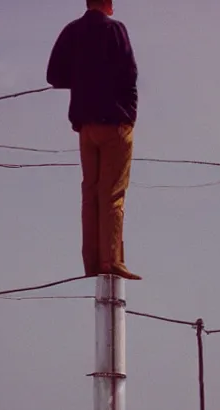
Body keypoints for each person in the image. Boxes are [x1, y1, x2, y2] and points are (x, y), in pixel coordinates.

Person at [46, 0, 142, 280]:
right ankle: (110, 260)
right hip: (115, 122)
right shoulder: (115, 30)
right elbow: (130, 74)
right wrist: (130, 115)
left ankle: (91, 262)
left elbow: (54, 75)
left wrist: (82, 79)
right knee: (112, 193)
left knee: (90, 194)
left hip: (85, 125)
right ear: (109, 4)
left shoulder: (72, 31)